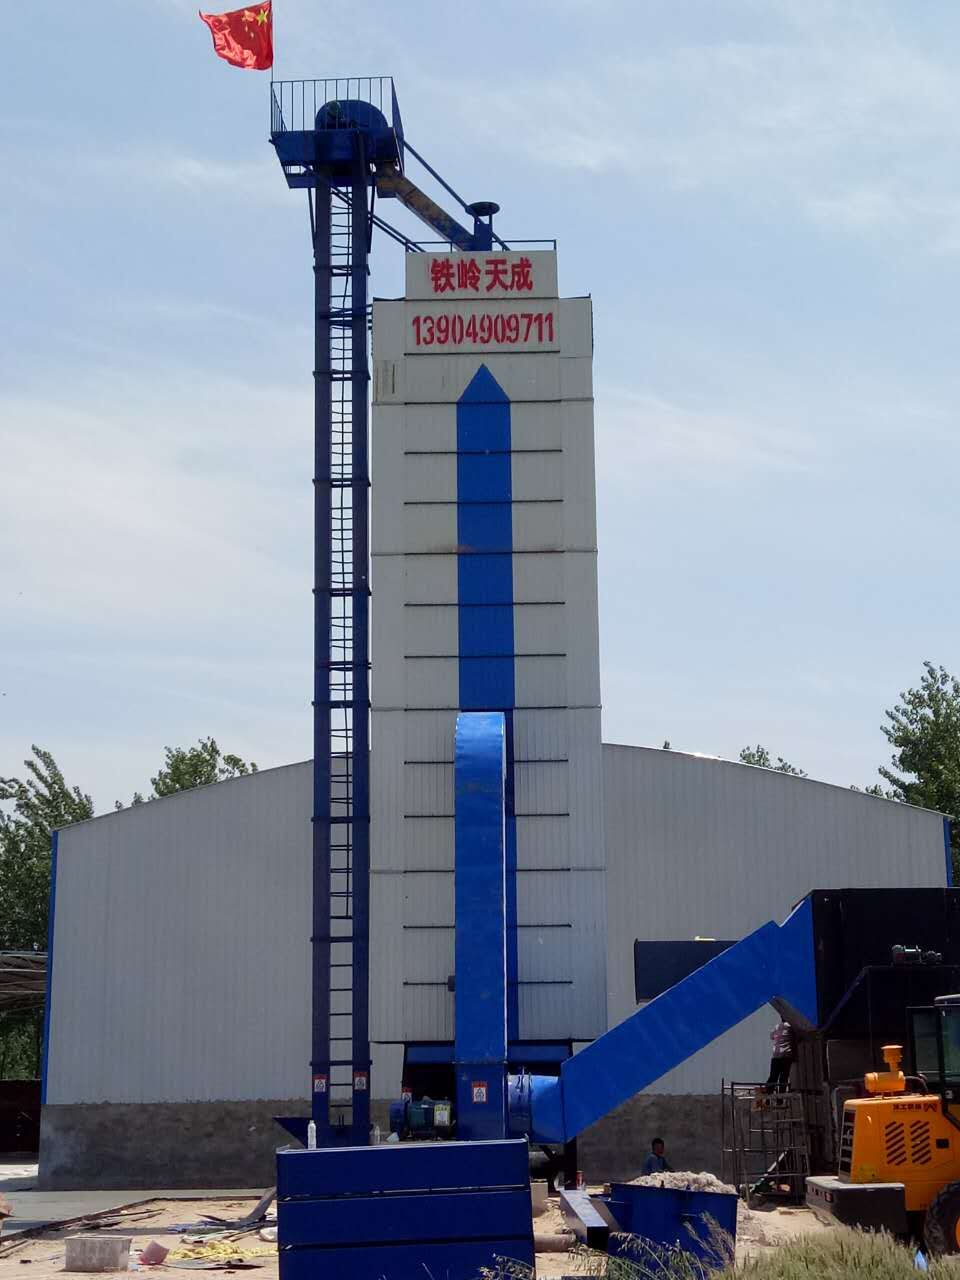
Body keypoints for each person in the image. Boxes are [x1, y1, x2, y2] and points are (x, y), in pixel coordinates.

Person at [766, 1019, 795, 1091]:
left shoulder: (777, 1026)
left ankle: (769, 1093)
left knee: (773, 1076)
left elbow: (771, 1036)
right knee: (784, 1076)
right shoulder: (791, 1027)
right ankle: (781, 1095)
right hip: (786, 1055)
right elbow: (797, 1037)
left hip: (776, 1055)